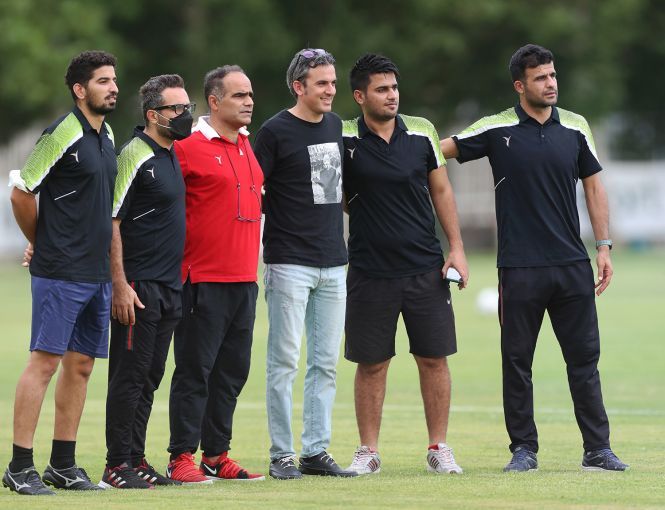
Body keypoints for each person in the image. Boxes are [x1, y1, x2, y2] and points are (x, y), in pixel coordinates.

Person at [439, 44, 628, 472]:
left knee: (584, 362)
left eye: (553, 75)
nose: (551, 83)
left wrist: (603, 246)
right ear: (520, 86)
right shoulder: (497, 127)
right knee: (517, 363)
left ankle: (597, 449)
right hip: (519, 268)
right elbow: (436, 150)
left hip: (571, 265)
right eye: (541, 78)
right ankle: (524, 449)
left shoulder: (576, 127)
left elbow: (594, 187)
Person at [342, 53, 468, 476]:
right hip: (368, 270)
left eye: (394, 87)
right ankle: (368, 451)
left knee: (434, 359)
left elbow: (441, 191)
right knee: (372, 363)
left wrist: (456, 248)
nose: (391, 95)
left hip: (425, 268)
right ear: (360, 96)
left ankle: (439, 447)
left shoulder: (422, 132)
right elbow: (336, 195)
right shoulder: (343, 137)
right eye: (381, 89)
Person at [3, 50, 118, 496]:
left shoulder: (106, 136)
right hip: (61, 270)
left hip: (96, 272)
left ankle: (63, 465)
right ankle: (19, 467)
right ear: (79, 89)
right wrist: (42, 240)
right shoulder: (61, 132)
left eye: (114, 80)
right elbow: (21, 193)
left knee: (82, 366)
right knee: (45, 363)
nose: (113, 87)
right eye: (103, 81)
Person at [253, 48, 355, 480]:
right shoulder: (274, 131)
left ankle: (315, 451)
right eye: (322, 83)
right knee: (285, 362)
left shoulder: (335, 126)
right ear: (299, 87)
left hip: (333, 262)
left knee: (325, 363)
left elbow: (333, 191)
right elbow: (252, 192)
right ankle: (281, 455)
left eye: (333, 83)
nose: (331, 90)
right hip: (288, 263)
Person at [166, 65, 264, 483]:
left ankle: (215, 455)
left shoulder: (247, 146)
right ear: (214, 101)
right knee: (194, 372)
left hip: (244, 280)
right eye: (239, 95)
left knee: (231, 374)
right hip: (201, 280)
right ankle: (180, 457)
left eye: (250, 95)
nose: (248, 102)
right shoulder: (186, 147)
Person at [99, 74, 191, 489]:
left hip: (168, 286)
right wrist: (120, 284)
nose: (185, 115)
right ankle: (116, 465)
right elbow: (111, 221)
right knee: (129, 376)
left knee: (150, 377)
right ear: (154, 115)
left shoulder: (170, 154)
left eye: (187, 107)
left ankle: (135, 459)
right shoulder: (133, 155)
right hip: (138, 287)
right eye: (177, 108)